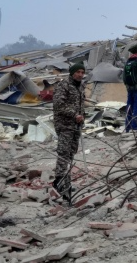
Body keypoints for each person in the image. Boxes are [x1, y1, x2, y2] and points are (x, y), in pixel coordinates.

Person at [51, 63, 86, 203]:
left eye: (82, 72)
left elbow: (81, 104)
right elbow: (58, 105)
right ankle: (58, 181)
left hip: (76, 126)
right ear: (72, 72)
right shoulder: (63, 85)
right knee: (63, 152)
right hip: (65, 125)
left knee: (71, 153)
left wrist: (83, 117)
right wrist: (74, 115)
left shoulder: (80, 86)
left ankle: (67, 181)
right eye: (78, 72)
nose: (80, 74)